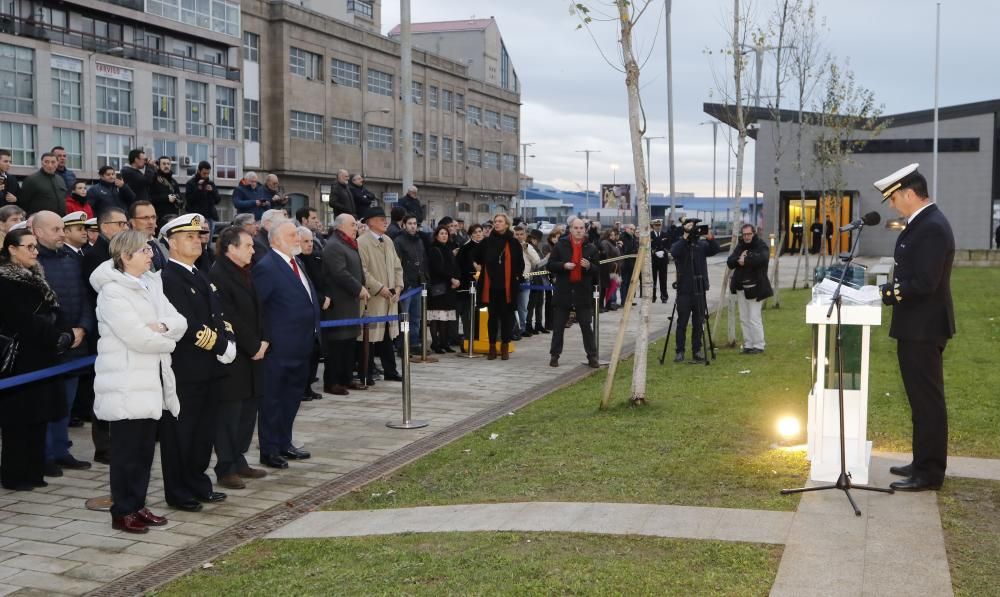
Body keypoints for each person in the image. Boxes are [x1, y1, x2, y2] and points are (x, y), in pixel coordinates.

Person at [90, 230, 186, 533]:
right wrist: (166, 339)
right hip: (126, 384)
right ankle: (123, 511)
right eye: (144, 250)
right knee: (126, 454)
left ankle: (138, 504)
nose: (150, 254)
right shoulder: (112, 292)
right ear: (125, 256)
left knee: (144, 451)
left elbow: (178, 321)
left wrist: (162, 328)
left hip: (151, 381)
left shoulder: (150, 283)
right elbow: (136, 337)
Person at [874, 164, 955, 492]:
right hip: (916, 326)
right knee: (920, 401)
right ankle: (922, 462)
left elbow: (925, 281)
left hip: (924, 327)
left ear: (909, 193)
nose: (892, 205)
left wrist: (889, 293)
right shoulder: (923, 223)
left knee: (927, 402)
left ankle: (930, 473)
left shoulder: (932, 226)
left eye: (893, 198)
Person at [159, 213, 236, 512]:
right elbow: (185, 324)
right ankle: (178, 491)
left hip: (210, 368)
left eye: (199, 235)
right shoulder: (169, 278)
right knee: (181, 433)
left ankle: (198, 483)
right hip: (186, 368)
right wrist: (218, 345)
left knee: (204, 432)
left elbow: (218, 315)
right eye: (190, 236)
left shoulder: (198, 273)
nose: (198, 240)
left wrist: (228, 340)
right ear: (172, 242)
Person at [0, 229, 74, 490]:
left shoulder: (37, 275)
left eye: (35, 247)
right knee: (17, 422)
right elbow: (21, 319)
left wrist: (66, 332)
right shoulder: (4, 280)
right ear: (11, 249)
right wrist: (55, 334)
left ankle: (34, 471)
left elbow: (55, 308)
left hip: (43, 357)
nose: (35, 251)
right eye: (29, 247)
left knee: (38, 417)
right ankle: (14, 475)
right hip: (21, 360)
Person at [253, 219, 321, 469]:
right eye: (292, 235)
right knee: (273, 400)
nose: (297, 238)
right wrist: (265, 340)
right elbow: (259, 308)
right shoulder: (267, 266)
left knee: (292, 398)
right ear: (276, 240)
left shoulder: (296, 262)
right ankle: (269, 450)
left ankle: (284, 443)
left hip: (302, 345)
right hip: (279, 348)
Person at [32, 211, 94, 476]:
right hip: (50, 346)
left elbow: (85, 298)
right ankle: (44, 454)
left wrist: (82, 327)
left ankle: (61, 450)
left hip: (75, 344)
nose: (62, 233)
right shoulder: (31, 265)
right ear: (38, 232)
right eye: (56, 229)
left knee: (65, 404)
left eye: (62, 228)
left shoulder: (72, 260)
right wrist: (60, 334)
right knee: (46, 402)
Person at [209, 227, 269, 489]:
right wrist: (253, 344)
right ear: (231, 248)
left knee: (248, 411)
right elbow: (228, 316)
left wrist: (264, 340)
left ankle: (239, 458)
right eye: (248, 246)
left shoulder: (245, 272)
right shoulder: (218, 274)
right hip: (234, 357)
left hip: (254, 354)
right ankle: (225, 467)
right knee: (229, 415)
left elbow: (259, 309)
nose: (253, 250)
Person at [81, 207, 129, 463]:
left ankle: (117, 439)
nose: (124, 228)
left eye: (125, 223)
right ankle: (103, 445)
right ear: (104, 227)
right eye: (119, 223)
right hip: (102, 331)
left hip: (120, 329)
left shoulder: (118, 253)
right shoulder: (94, 255)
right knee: (103, 389)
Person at [321, 214, 369, 395]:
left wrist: (361, 285)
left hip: (351, 301)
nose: (355, 228)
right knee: (337, 344)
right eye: (352, 225)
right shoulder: (334, 245)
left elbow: (356, 269)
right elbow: (339, 273)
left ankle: (346, 378)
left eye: (356, 225)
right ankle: (332, 382)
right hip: (339, 303)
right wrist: (359, 288)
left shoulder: (348, 243)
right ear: (340, 226)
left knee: (349, 343)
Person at [357, 207, 404, 380]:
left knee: (386, 337)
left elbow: (398, 266)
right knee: (368, 337)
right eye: (380, 219)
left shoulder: (388, 240)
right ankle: (366, 373)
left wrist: (398, 286)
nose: (385, 221)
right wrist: (379, 288)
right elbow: (362, 272)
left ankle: (390, 371)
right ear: (370, 222)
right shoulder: (362, 242)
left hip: (390, 298)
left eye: (385, 218)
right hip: (373, 299)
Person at [546, 218, 600, 368]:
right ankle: (554, 355)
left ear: (585, 230)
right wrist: (563, 265)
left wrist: (589, 266)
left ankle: (592, 356)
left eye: (581, 228)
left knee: (586, 326)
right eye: (576, 228)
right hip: (564, 291)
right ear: (570, 229)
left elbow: (597, 270)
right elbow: (550, 265)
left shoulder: (591, 247)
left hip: (582, 292)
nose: (578, 230)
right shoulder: (561, 245)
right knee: (558, 327)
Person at [670, 218, 721, 363]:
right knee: (682, 322)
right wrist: (685, 236)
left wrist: (710, 239)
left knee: (699, 322)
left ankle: (697, 350)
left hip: (699, 289)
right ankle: (679, 351)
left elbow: (715, 249)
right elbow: (674, 252)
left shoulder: (701, 245)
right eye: (690, 227)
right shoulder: (681, 244)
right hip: (684, 290)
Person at [474, 213, 523, 360]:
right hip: (491, 286)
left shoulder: (514, 243)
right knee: (492, 318)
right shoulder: (487, 242)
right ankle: (492, 347)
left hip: (508, 287)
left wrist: (516, 276)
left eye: (500, 221)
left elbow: (520, 264)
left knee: (507, 318)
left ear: (507, 224)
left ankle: (505, 346)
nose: (497, 224)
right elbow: (477, 257)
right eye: (495, 221)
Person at [727, 224, 772, 355]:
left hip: (756, 287)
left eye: (749, 234)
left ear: (754, 233)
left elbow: (763, 259)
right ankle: (748, 344)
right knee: (744, 318)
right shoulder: (740, 246)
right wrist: (739, 259)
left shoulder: (761, 245)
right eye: (744, 234)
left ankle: (759, 345)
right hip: (741, 287)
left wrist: (745, 260)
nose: (746, 237)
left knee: (754, 317)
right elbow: (730, 261)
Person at [296, 225, 328, 402]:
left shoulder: (316, 257)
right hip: (306, 311)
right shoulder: (296, 261)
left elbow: (322, 281)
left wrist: (325, 297)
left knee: (316, 351)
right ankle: (302, 388)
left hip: (319, 309)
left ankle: (309, 386)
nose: (309, 245)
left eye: (310, 241)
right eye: (305, 241)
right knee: (305, 353)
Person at [394, 214, 429, 352]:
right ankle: (402, 345)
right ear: (404, 225)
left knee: (416, 317)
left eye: (415, 223)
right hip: (406, 285)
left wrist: (425, 278)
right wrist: (403, 282)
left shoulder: (419, 241)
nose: (413, 226)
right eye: (410, 223)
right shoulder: (398, 241)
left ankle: (414, 343)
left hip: (418, 284)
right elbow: (397, 263)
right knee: (404, 317)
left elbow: (423, 260)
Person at [426, 225, 461, 353]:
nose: (444, 235)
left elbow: (454, 266)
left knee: (445, 317)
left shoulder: (449, 248)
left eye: (446, 233)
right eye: (441, 233)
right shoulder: (434, 249)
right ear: (436, 235)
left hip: (449, 288)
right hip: (438, 287)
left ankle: (444, 343)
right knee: (436, 316)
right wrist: (451, 279)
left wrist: (457, 279)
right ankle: (435, 343)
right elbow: (437, 269)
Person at [456, 224, 484, 347]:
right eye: (475, 232)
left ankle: (480, 336)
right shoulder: (465, 248)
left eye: (480, 231)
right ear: (471, 234)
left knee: (480, 311)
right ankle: (469, 338)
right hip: (469, 284)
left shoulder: (485, 247)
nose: (478, 234)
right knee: (468, 313)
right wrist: (474, 269)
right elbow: (461, 266)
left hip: (483, 284)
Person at [513, 225, 539, 339]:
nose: (519, 236)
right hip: (512, 280)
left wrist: (526, 249)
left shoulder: (528, 247)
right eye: (517, 234)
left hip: (525, 279)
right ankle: (513, 328)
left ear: (525, 235)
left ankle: (522, 329)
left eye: (521, 234)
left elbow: (537, 262)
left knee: (523, 306)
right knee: (511, 306)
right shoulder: (510, 245)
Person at [128, 201, 168, 271]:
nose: (151, 222)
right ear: (133, 222)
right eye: (145, 218)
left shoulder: (162, 245)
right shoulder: (127, 248)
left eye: (153, 217)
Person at [525, 229, 548, 336]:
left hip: (539, 278)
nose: (536, 241)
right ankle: (528, 325)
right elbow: (536, 264)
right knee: (532, 304)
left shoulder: (536, 249)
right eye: (534, 239)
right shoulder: (527, 248)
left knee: (539, 303)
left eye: (537, 239)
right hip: (532, 277)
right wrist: (547, 258)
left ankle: (538, 324)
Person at [184, 161, 221, 227]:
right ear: (199, 171)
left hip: (210, 217)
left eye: (208, 173)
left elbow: (218, 200)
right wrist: (198, 189)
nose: (206, 176)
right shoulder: (191, 183)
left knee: (208, 237)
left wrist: (212, 191)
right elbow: (189, 201)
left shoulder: (210, 183)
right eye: (204, 173)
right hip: (196, 217)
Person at [599, 228, 621, 311]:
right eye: (611, 235)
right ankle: (601, 306)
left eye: (614, 235)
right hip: (606, 269)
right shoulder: (605, 243)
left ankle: (608, 304)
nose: (613, 236)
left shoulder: (614, 243)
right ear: (607, 235)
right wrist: (613, 265)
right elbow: (606, 256)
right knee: (604, 288)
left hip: (614, 269)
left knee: (611, 288)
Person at [650, 219, 669, 303]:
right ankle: (653, 296)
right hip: (654, 260)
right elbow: (648, 246)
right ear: (653, 226)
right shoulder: (649, 235)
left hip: (663, 260)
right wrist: (654, 252)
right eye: (656, 225)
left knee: (663, 279)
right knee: (653, 279)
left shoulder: (665, 234)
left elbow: (669, 245)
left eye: (659, 225)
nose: (658, 227)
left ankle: (664, 296)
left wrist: (664, 251)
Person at [619, 223, 638, 303]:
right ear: (626, 228)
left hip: (631, 263)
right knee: (624, 282)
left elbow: (634, 248)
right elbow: (625, 250)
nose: (632, 231)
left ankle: (629, 300)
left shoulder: (633, 237)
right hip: (625, 263)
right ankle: (624, 300)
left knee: (630, 282)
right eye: (631, 229)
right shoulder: (623, 237)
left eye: (634, 229)